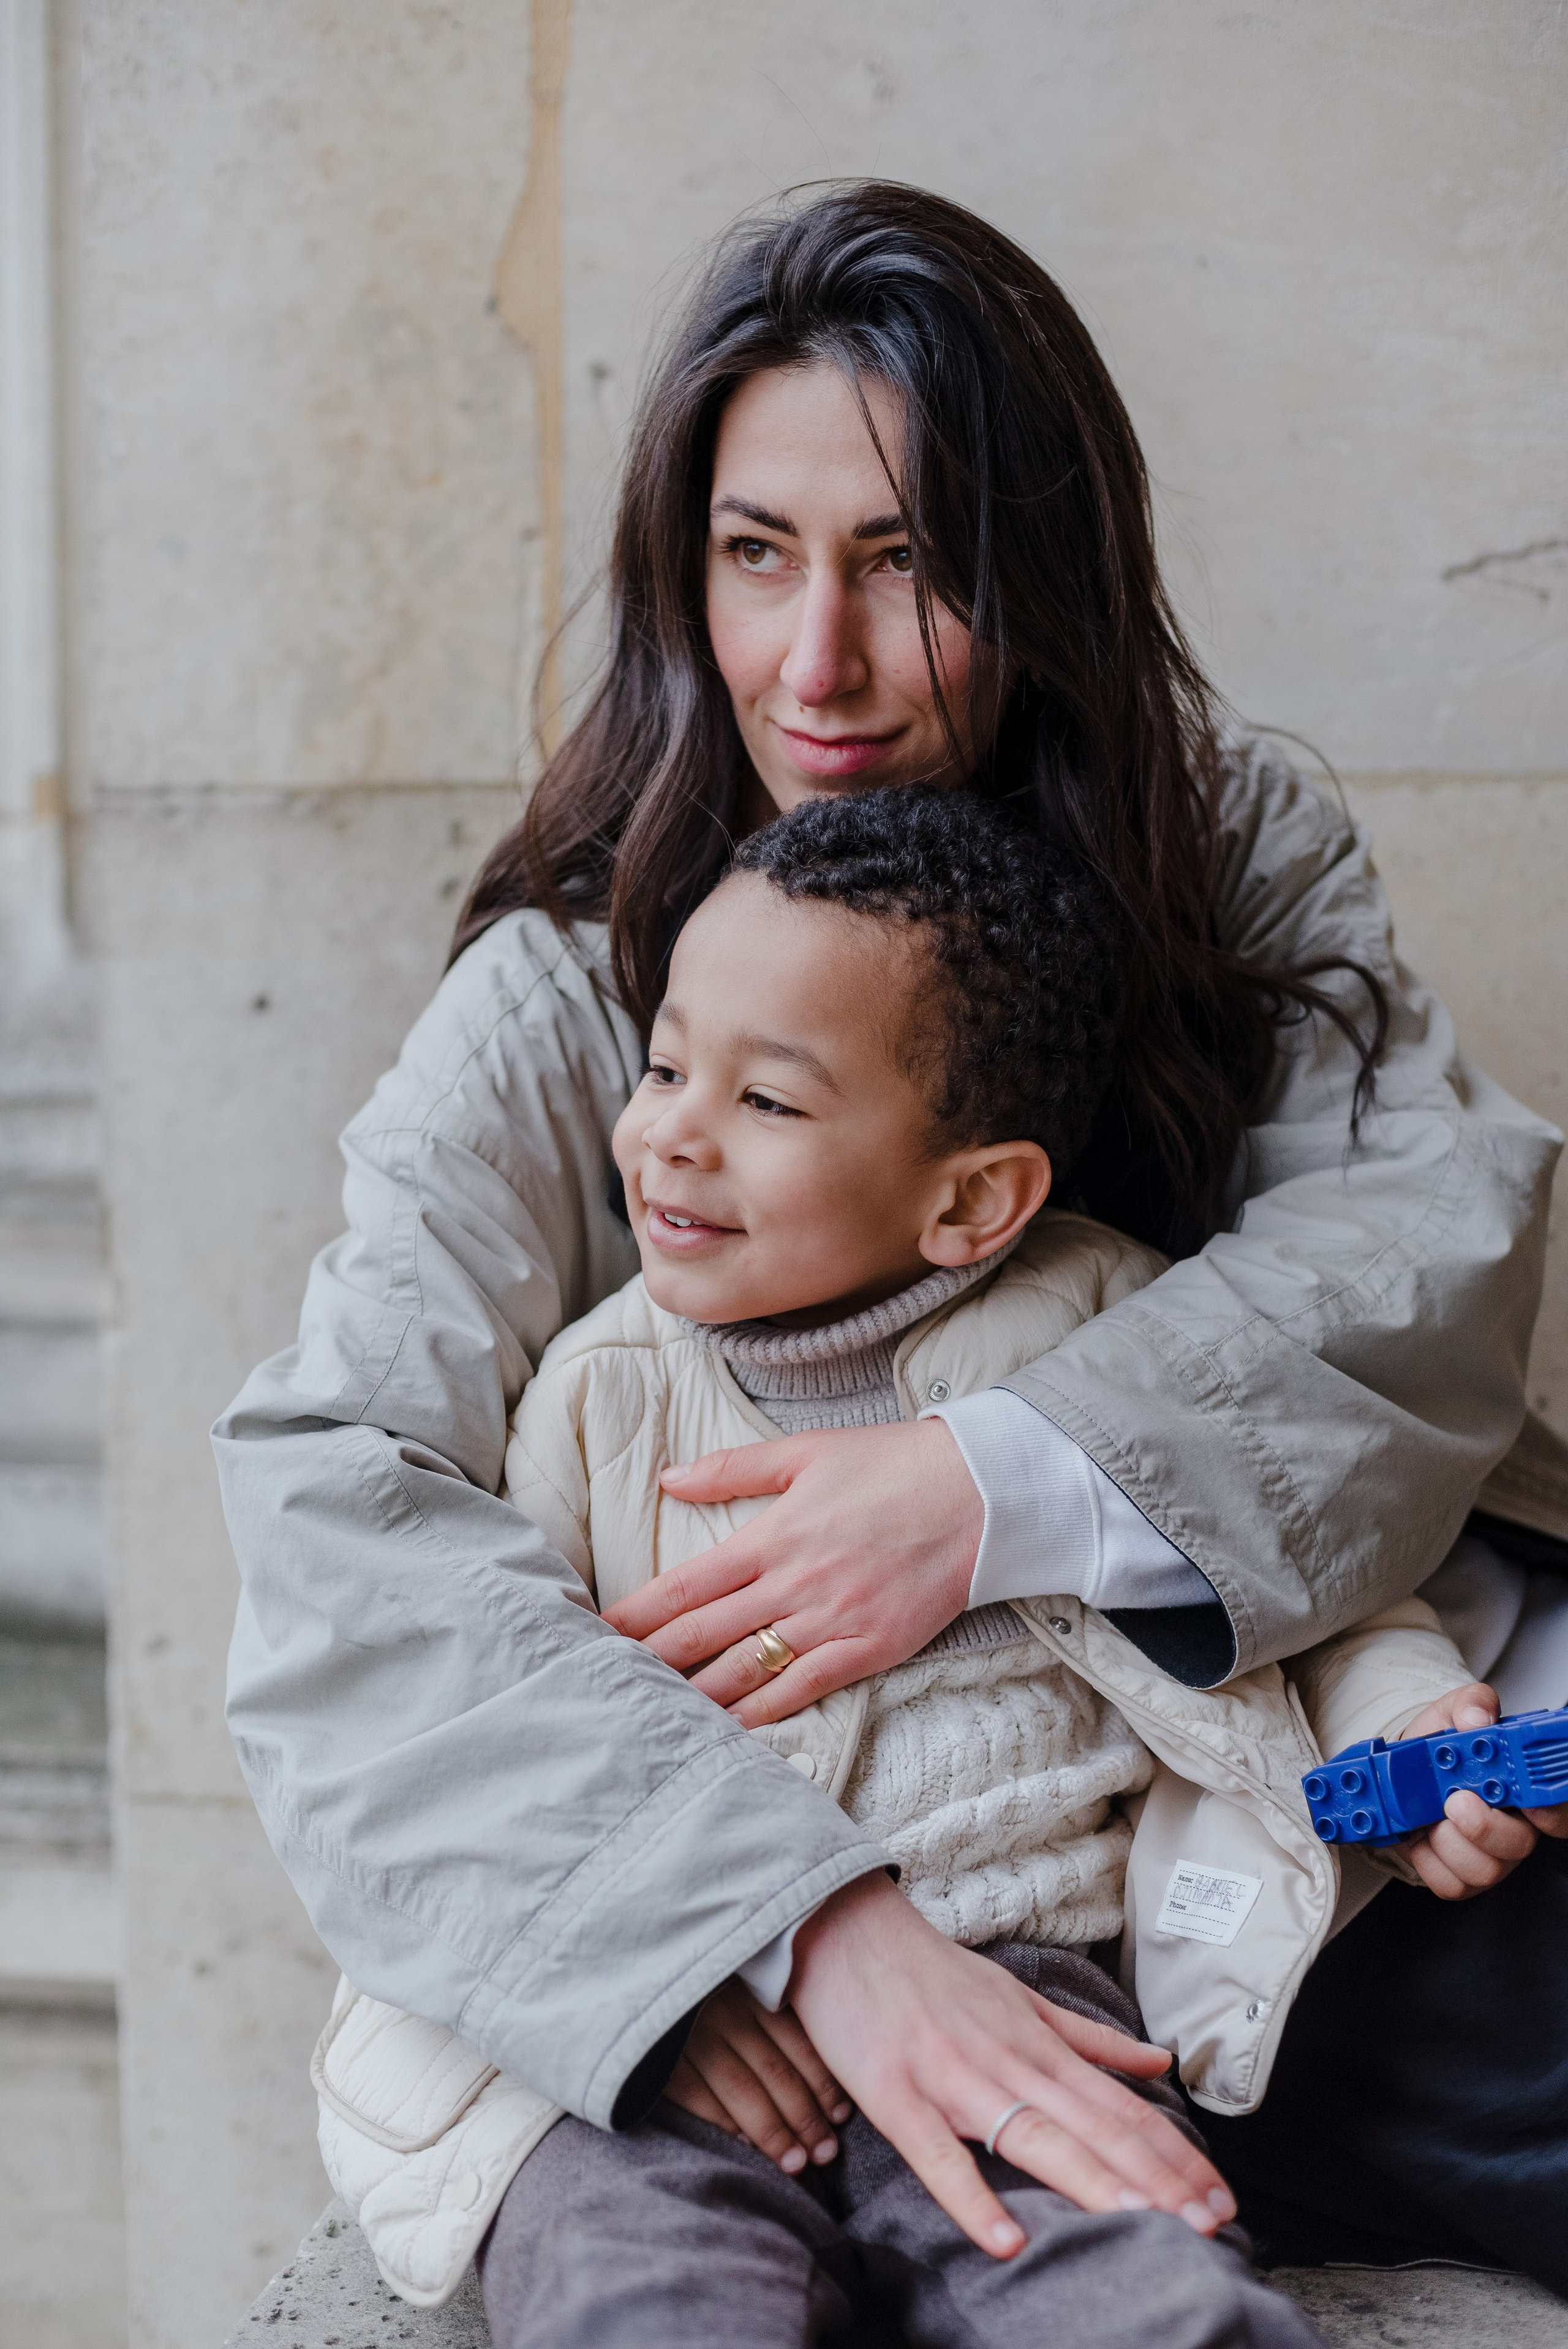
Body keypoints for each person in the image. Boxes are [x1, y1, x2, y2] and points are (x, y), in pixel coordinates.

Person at [215, 181, 1566, 2291]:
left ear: (1047, 572)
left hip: (1219, 1837)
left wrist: (988, 1486)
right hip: (738, 1917)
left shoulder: (1232, 866)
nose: (814, 660)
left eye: (910, 561)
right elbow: (334, 1509)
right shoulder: (571, 989)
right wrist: (810, 1922)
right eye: (756, 556)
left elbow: (1416, 1257)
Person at [315, 787, 1532, 2344]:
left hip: (1028, 1999)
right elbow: (507, 1733)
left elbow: (1315, 1597)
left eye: (768, 1102)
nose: (671, 1129)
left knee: (1144, 2285)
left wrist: (1407, 1726)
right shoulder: (594, 1397)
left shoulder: (1104, 1326)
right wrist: (658, 1982)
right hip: (684, 2015)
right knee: (645, 2294)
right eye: (668, 1064)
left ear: (970, 1199)